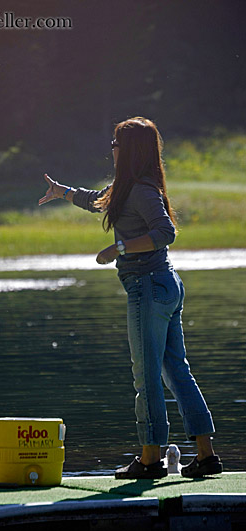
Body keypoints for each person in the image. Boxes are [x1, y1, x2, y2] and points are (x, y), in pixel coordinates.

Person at [39, 116, 222, 479]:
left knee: (147, 377)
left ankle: (151, 459)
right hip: (164, 285)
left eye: (116, 143)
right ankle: (206, 457)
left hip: (149, 287)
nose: (112, 148)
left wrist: (118, 248)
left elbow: (165, 231)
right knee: (176, 371)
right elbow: (99, 201)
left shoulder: (140, 189)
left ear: (132, 149)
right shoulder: (131, 186)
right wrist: (63, 192)